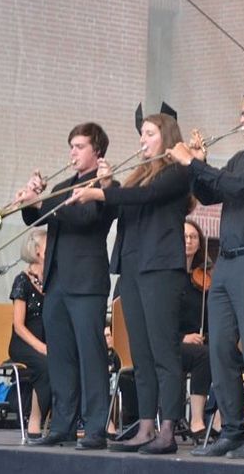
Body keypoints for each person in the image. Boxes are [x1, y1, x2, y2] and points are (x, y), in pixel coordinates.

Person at [167, 87, 244, 459]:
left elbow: (236, 185)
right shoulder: (242, 156)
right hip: (228, 262)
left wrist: (193, 162)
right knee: (219, 347)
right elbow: (211, 194)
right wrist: (198, 166)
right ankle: (232, 431)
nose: (242, 120)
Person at [70, 112, 191, 454]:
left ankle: (167, 428)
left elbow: (146, 199)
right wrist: (110, 187)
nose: (142, 140)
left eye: (149, 133)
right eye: (141, 134)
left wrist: (103, 194)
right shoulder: (140, 175)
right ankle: (146, 426)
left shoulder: (177, 172)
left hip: (161, 269)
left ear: (165, 136)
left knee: (163, 351)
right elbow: (129, 207)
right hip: (134, 267)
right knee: (139, 352)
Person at [19, 122, 117, 450]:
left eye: (79, 146)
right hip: (57, 283)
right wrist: (31, 202)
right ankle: (61, 424)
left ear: (97, 151)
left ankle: (95, 428)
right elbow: (36, 219)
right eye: (71, 146)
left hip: (87, 283)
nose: (72, 152)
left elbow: (87, 218)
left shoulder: (105, 185)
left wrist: (45, 205)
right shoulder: (63, 186)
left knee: (91, 356)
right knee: (60, 357)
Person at [180, 219, 221, 442]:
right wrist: (183, 337)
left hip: (200, 341)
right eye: (184, 237)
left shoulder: (205, 276)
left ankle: (221, 420)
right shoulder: (168, 277)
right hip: (172, 343)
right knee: (204, 356)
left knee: (228, 353)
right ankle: (197, 420)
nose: (188, 241)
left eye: (193, 237)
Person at [8, 229, 51, 437]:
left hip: (46, 343)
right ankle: (35, 420)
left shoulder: (52, 281)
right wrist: (40, 347)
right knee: (45, 365)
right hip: (24, 344)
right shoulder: (22, 281)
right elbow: (19, 325)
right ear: (37, 251)